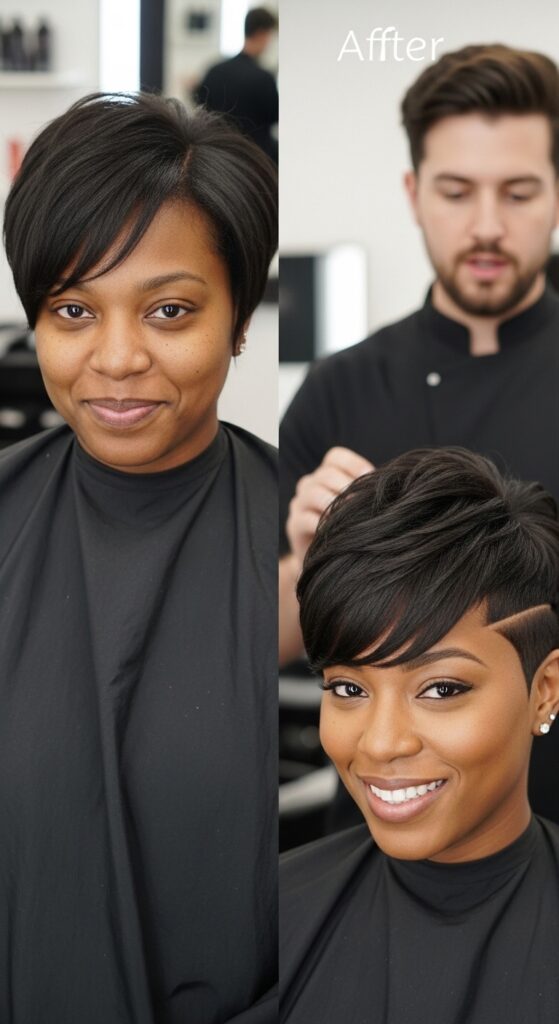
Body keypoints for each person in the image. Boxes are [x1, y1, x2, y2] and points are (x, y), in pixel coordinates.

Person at [1, 92, 277, 1024]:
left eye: (167, 310)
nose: (115, 359)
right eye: (72, 309)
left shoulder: (312, 534)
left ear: (238, 318)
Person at [279, 43, 559, 825]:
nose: (485, 226)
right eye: (456, 191)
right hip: (386, 823)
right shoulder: (340, 387)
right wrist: (306, 562)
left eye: (518, 192)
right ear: (413, 192)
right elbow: (256, 647)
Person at [280, 447, 559, 1024]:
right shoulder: (263, 920)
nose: (381, 744)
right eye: (349, 690)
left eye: (442, 689)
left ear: (546, 690)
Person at [194, 7, 278, 163]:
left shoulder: (214, 71)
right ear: (262, 34)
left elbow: (200, 108)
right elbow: (276, 117)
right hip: (256, 163)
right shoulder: (263, 78)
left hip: (217, 160)